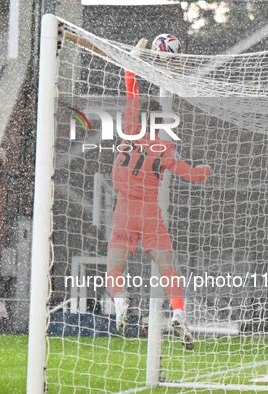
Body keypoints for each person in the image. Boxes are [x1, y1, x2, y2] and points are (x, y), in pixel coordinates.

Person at [106, 38, 212, 349]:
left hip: (125, 211)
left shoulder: (129, 129)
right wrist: (207, 169)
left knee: (115, 268)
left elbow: (132, 91)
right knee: (168, 269)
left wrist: (133, 60)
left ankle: (121, 299)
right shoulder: (165, 149)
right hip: (151, 214)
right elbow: (191, 175)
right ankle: (178, 312)